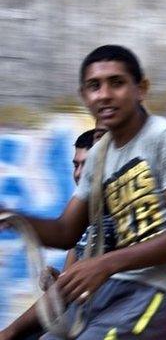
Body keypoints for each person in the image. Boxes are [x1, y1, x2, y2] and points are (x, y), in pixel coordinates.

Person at [0, 45, 166, 339]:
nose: (105, 94)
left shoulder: (164, 137)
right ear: (85, 96)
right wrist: (10, 214)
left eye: (117, 82)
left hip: (155, 291)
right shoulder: (99, 156)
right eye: (94, 86)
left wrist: (105, 263)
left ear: (141, 89)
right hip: (103, 290)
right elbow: (64, 231)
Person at [0, 128, 102, 340]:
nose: (79, 173)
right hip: (75, 320)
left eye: (87, 164)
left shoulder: (117, 218)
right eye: (76, 165)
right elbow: (64, 291)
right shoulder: (84, 224)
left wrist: (9, 333)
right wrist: (57, 284)